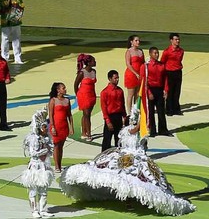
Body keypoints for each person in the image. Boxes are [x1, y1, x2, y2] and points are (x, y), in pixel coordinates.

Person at [59, 106, 195, 215]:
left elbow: (142, 143)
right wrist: (142, 117)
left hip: (138, 157)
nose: (135, 122)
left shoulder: (140, 132)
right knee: (125, 177)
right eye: (133, 119)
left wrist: (143, 122)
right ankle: (127, 201)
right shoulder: (128, 129)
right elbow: (133, 131)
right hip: (125, 157)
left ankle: (134, 199)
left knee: (140, 179)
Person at [21, 109, 54, 218]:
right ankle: (34, 210)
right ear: (39, 128)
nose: (46, 129)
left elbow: (51, 150)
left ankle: (43, 209)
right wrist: (45, 150)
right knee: (33, 190)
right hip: (35, 167)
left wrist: (49, 149)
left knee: (43, 189)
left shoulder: (46, 138)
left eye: (46, 127)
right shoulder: (34, 139)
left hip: (44, 166)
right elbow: (33, 153)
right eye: (44, 127)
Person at [145, 47, 170, 137]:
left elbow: (165, 79)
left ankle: (163, 130)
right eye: (155, 53)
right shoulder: (147, 66)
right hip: (151, 89)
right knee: (151, 111)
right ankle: (152, 130)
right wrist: (149, 92)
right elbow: (145, 80)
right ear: (150, 54)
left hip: (159, 89)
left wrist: (166, 90)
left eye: (157, 53)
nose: (157, 55)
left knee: (161, 111)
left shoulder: (162, 65)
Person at [0, 0, 24, 65]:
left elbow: (22, 9)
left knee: (16, 40)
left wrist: (18, 15)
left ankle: (18, 58)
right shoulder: (2, 1)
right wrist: (6, 7)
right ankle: (4, 58)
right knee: (5, 40)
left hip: (16, 23)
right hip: (5, 23)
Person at [100, 70, 125, 150]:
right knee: (107, 139)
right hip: (110, 116)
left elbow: (122, 104)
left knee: (119, 139)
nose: (117, 80)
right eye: (115, 78)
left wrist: (124, 116)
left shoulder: (120, 91)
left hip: (118, 116)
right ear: (110, 79)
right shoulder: (105, 92)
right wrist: (107, 121)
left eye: (118, 78)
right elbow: (104, 108)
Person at [74, 54, 97, 141]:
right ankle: (89, 134)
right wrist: (78, 95)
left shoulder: (94, 72)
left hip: (92, 95)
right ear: (89, 62)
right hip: (83, 95)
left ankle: (84, 132)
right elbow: (76, 84)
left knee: (86, 114)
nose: (95, 62)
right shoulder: (82, 73)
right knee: (87, 115)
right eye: (93, 61)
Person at [160, 34, 184, 116]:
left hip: (178, 72)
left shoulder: (181, 51)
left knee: (177, 91)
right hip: (169, 72)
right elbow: (162, 62)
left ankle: (176, 109)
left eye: (178, 39)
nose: (178, 41)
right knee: (169, 91)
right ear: (171, 40)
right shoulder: (167, 51)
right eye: (176, 39)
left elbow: (180, 60)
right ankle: (169, 109)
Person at [123, 35, 145, 112]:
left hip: (140, 74)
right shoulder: (129, 51)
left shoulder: (140, 51)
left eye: (138, 40)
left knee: (138, 94)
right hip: (131, 74)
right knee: (131, 94)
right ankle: (129, 111)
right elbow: (128, 64)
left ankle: (135, 110)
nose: (138, 42)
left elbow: (143, 62)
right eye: (136, 40)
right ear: (131, 42)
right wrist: (135, 73)